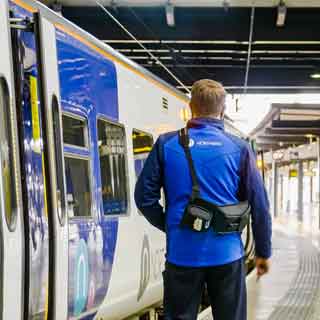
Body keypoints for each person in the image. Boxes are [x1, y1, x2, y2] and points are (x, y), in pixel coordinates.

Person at [134, 79, 272, 320]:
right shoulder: (239, 148)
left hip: (182, 254)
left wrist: (172, 225)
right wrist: (263, 252)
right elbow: (259, 204)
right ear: (223, 110)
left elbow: (144, 197)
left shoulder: (166, 144)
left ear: (190, 106)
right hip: (227, 253)